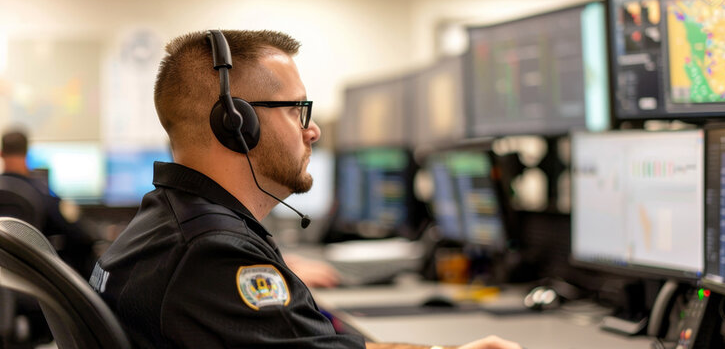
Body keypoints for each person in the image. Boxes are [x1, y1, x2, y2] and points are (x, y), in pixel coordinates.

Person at [92, 30, 521, 349]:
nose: (312, 129)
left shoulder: (172, 223)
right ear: (237, 122)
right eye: (298, 109)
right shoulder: (212, 253)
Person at [0, 129, 96, 277]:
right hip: (35, 279)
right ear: (27, 153)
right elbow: (79, 234)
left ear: (1, 153)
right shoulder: (42, 193)